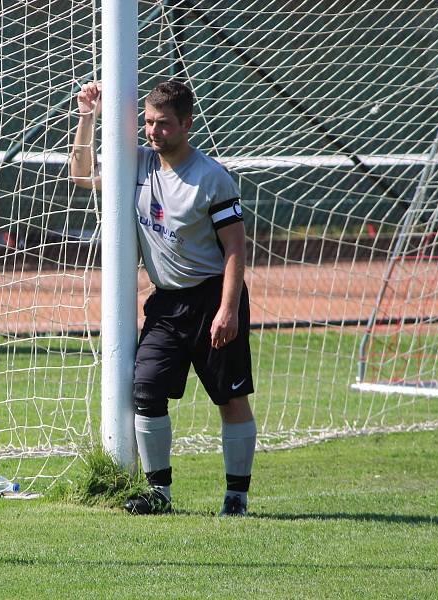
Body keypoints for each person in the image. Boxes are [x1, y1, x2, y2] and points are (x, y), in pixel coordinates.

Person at [70, 80, 257, 516]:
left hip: (213, 299)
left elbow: (235, 249)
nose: (154, 132)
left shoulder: (212, 178)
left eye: (164, 124)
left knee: (230, 398)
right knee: (146, 389)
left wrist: (228, 310)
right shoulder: (134, 164)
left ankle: (236, 498)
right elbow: (80, 176)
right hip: (166, 303)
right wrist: (86, 116)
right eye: (149, 123)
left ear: (187, 124)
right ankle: (160, 494)